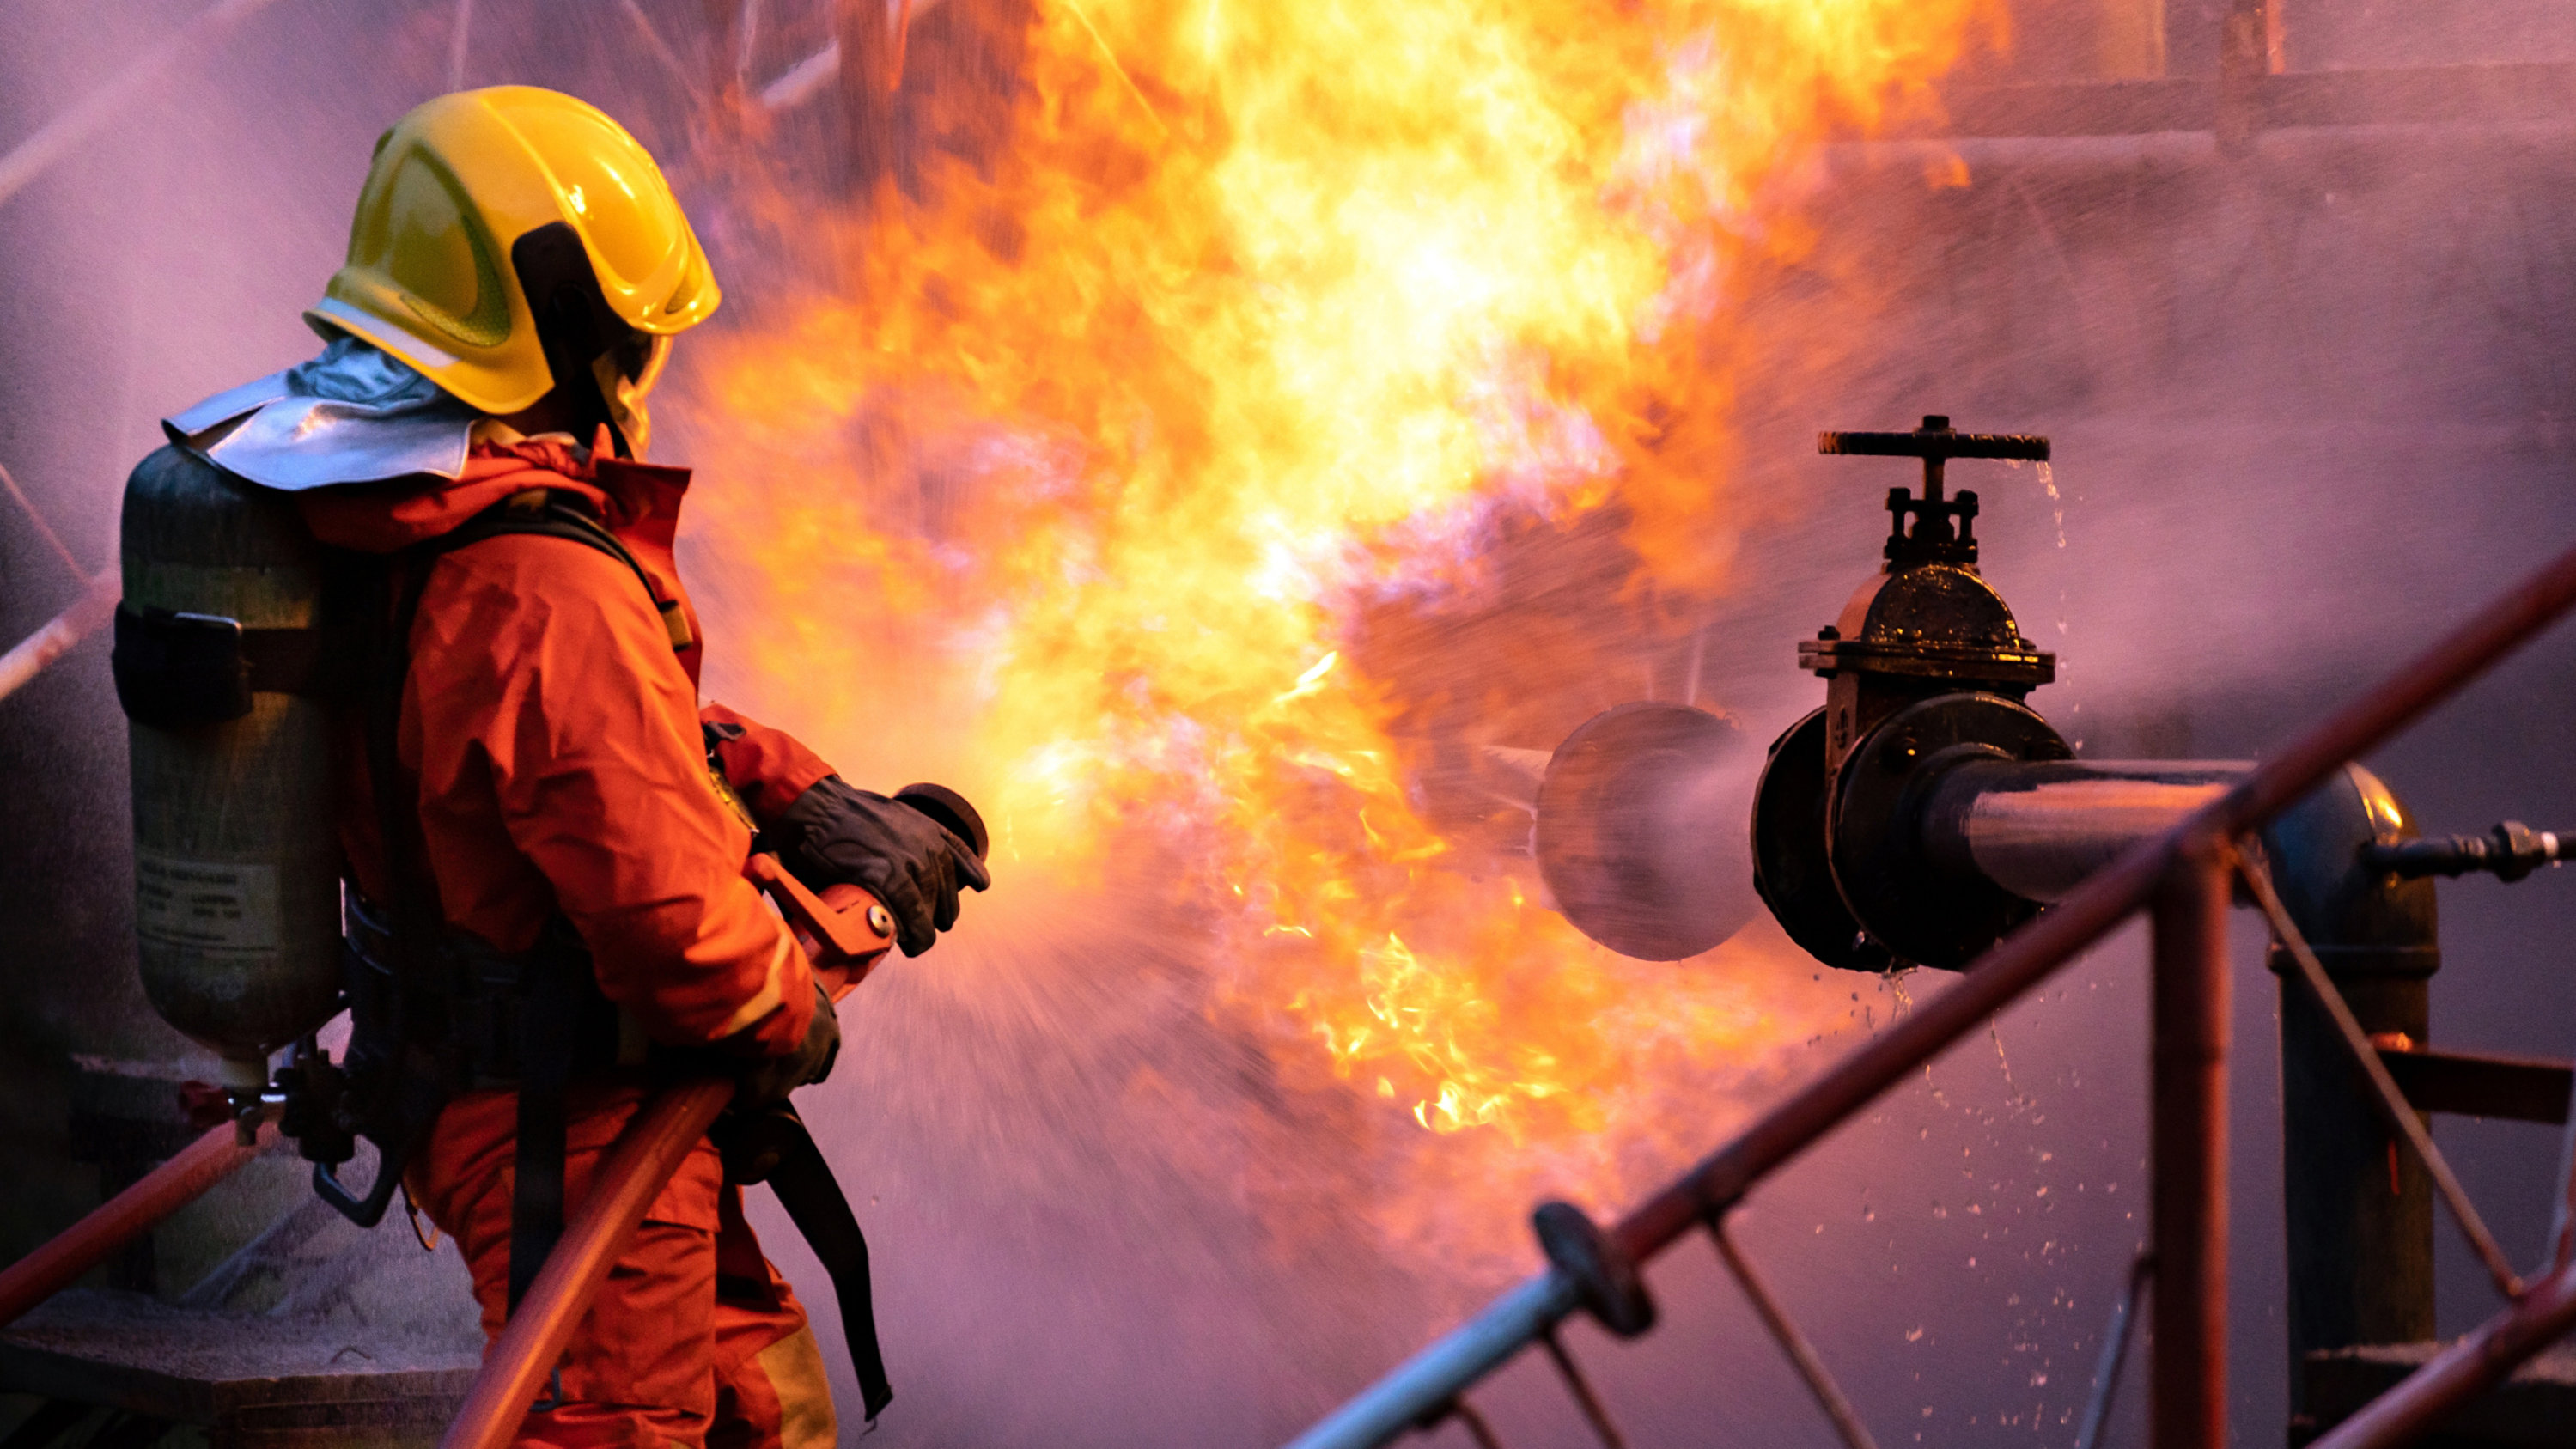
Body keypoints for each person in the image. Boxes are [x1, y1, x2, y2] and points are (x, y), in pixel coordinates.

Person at [156, 87, 988, 1447]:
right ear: (563, 327)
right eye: (630, 334)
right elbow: (688, 948)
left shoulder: (370, 508)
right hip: (578, 1127)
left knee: (757, 1406)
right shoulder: (541, 582)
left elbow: (551, 742)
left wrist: (796, 793)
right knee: (617, 1428)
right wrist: (815, 975)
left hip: (486, 1082)